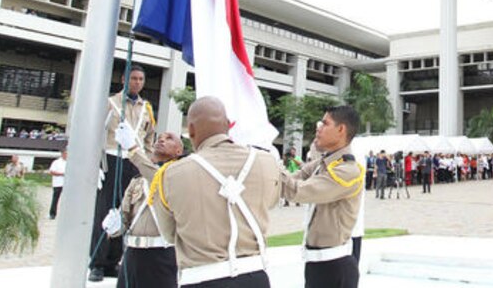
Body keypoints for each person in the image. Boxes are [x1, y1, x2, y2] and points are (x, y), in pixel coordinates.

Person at [148, 96, 281, 287]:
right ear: (228, 125)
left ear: (191, 130)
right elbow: (271, 203)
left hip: (202, 278)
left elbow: (169, 234)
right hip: (255, 277)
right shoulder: (266, 162)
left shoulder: (170, 174)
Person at [280, 105, 364, 288]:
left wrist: (265, 161)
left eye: (325, 123)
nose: (318, 127)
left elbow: (297, 191)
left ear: (341, 130)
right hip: (317, 265)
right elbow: (294, 179)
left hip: (335, 267)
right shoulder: (324, 163)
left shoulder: (347, 171)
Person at [89, 65, 157, 282]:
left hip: (134, 160)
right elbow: (96, 133)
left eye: (140, 79)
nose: (137, 82)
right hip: (111, 159)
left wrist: (146, 160)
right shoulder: (110, 103)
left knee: (126, 211)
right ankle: (96, 263)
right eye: (133, 78)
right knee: (104, 211)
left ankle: (112, 261)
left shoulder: (146, 108)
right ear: (123, 80)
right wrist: (96, 164)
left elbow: (149, 138)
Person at [110, 129, 185, 288]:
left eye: (169, 138)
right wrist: (114, 227)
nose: (161, 140)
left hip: (161, 256)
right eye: (159, 138)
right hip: (132, 254)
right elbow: (126, 217)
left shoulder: (176, 176)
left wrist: (132, 149)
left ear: (179, 151)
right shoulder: (137, 180)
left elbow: (158, 178)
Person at [48, 149, 67, 219]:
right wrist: (61, 174)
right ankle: (52, 214)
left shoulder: (70, 162)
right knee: (55, 199)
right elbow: (51, 171)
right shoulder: (56, 162)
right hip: (58, 183)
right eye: (65, 153)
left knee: (66, 200)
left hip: (66, 184)